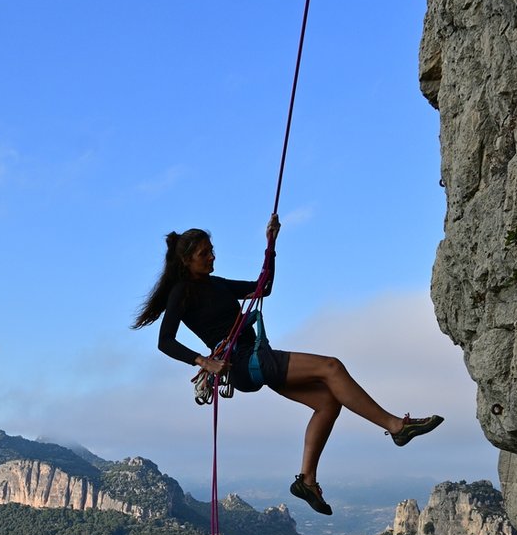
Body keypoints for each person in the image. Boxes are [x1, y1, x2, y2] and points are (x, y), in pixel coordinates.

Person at [132, 217, 443, 516]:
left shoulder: (217, 284)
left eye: (212, 251)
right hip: (244, 362)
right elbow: (165, 341)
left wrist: (271, 244)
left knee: (327, 402)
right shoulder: (181, 293)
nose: (212, 256)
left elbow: (262, 287)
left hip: (254, 357)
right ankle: (396, 426)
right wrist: (204, 361)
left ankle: (307, 480)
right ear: (187, 260)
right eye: (204, 253)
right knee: (332, 368)